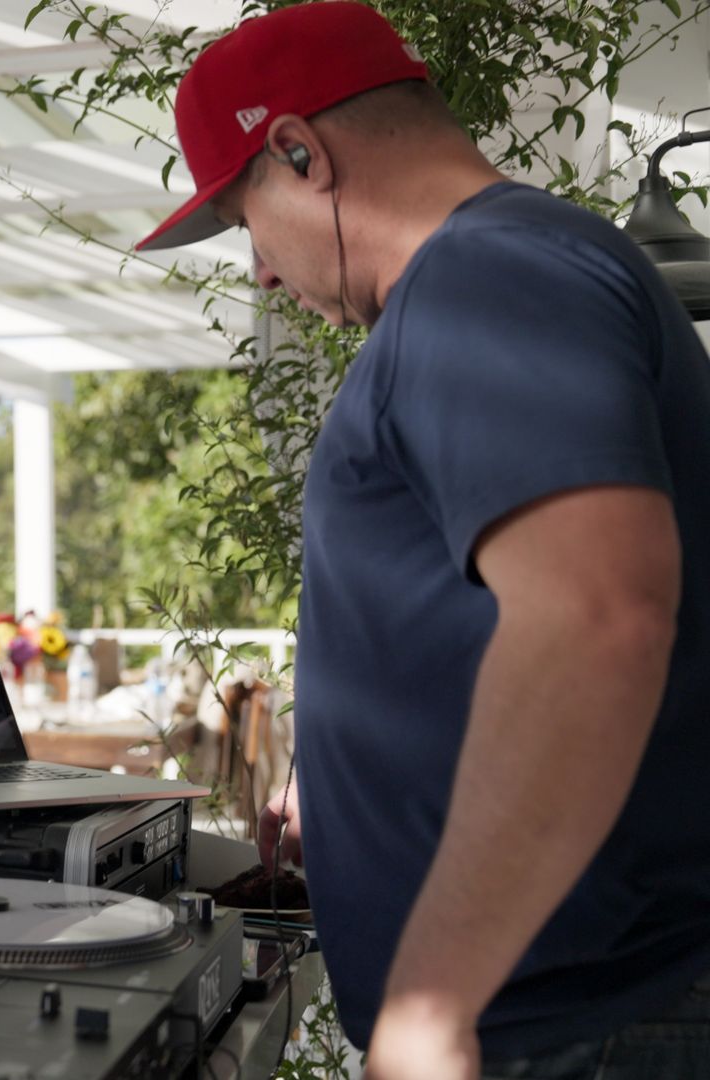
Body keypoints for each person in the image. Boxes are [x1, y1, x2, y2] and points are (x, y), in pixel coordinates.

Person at [136, 4, 710, 1078]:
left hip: (577, 1025)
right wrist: (360, 778)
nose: (260, 272)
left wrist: (436, 997)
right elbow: (497, 607)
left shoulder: (485, 277)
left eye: (246, 216)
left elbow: (595, 618)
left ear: (300, 152)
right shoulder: (504, 273)